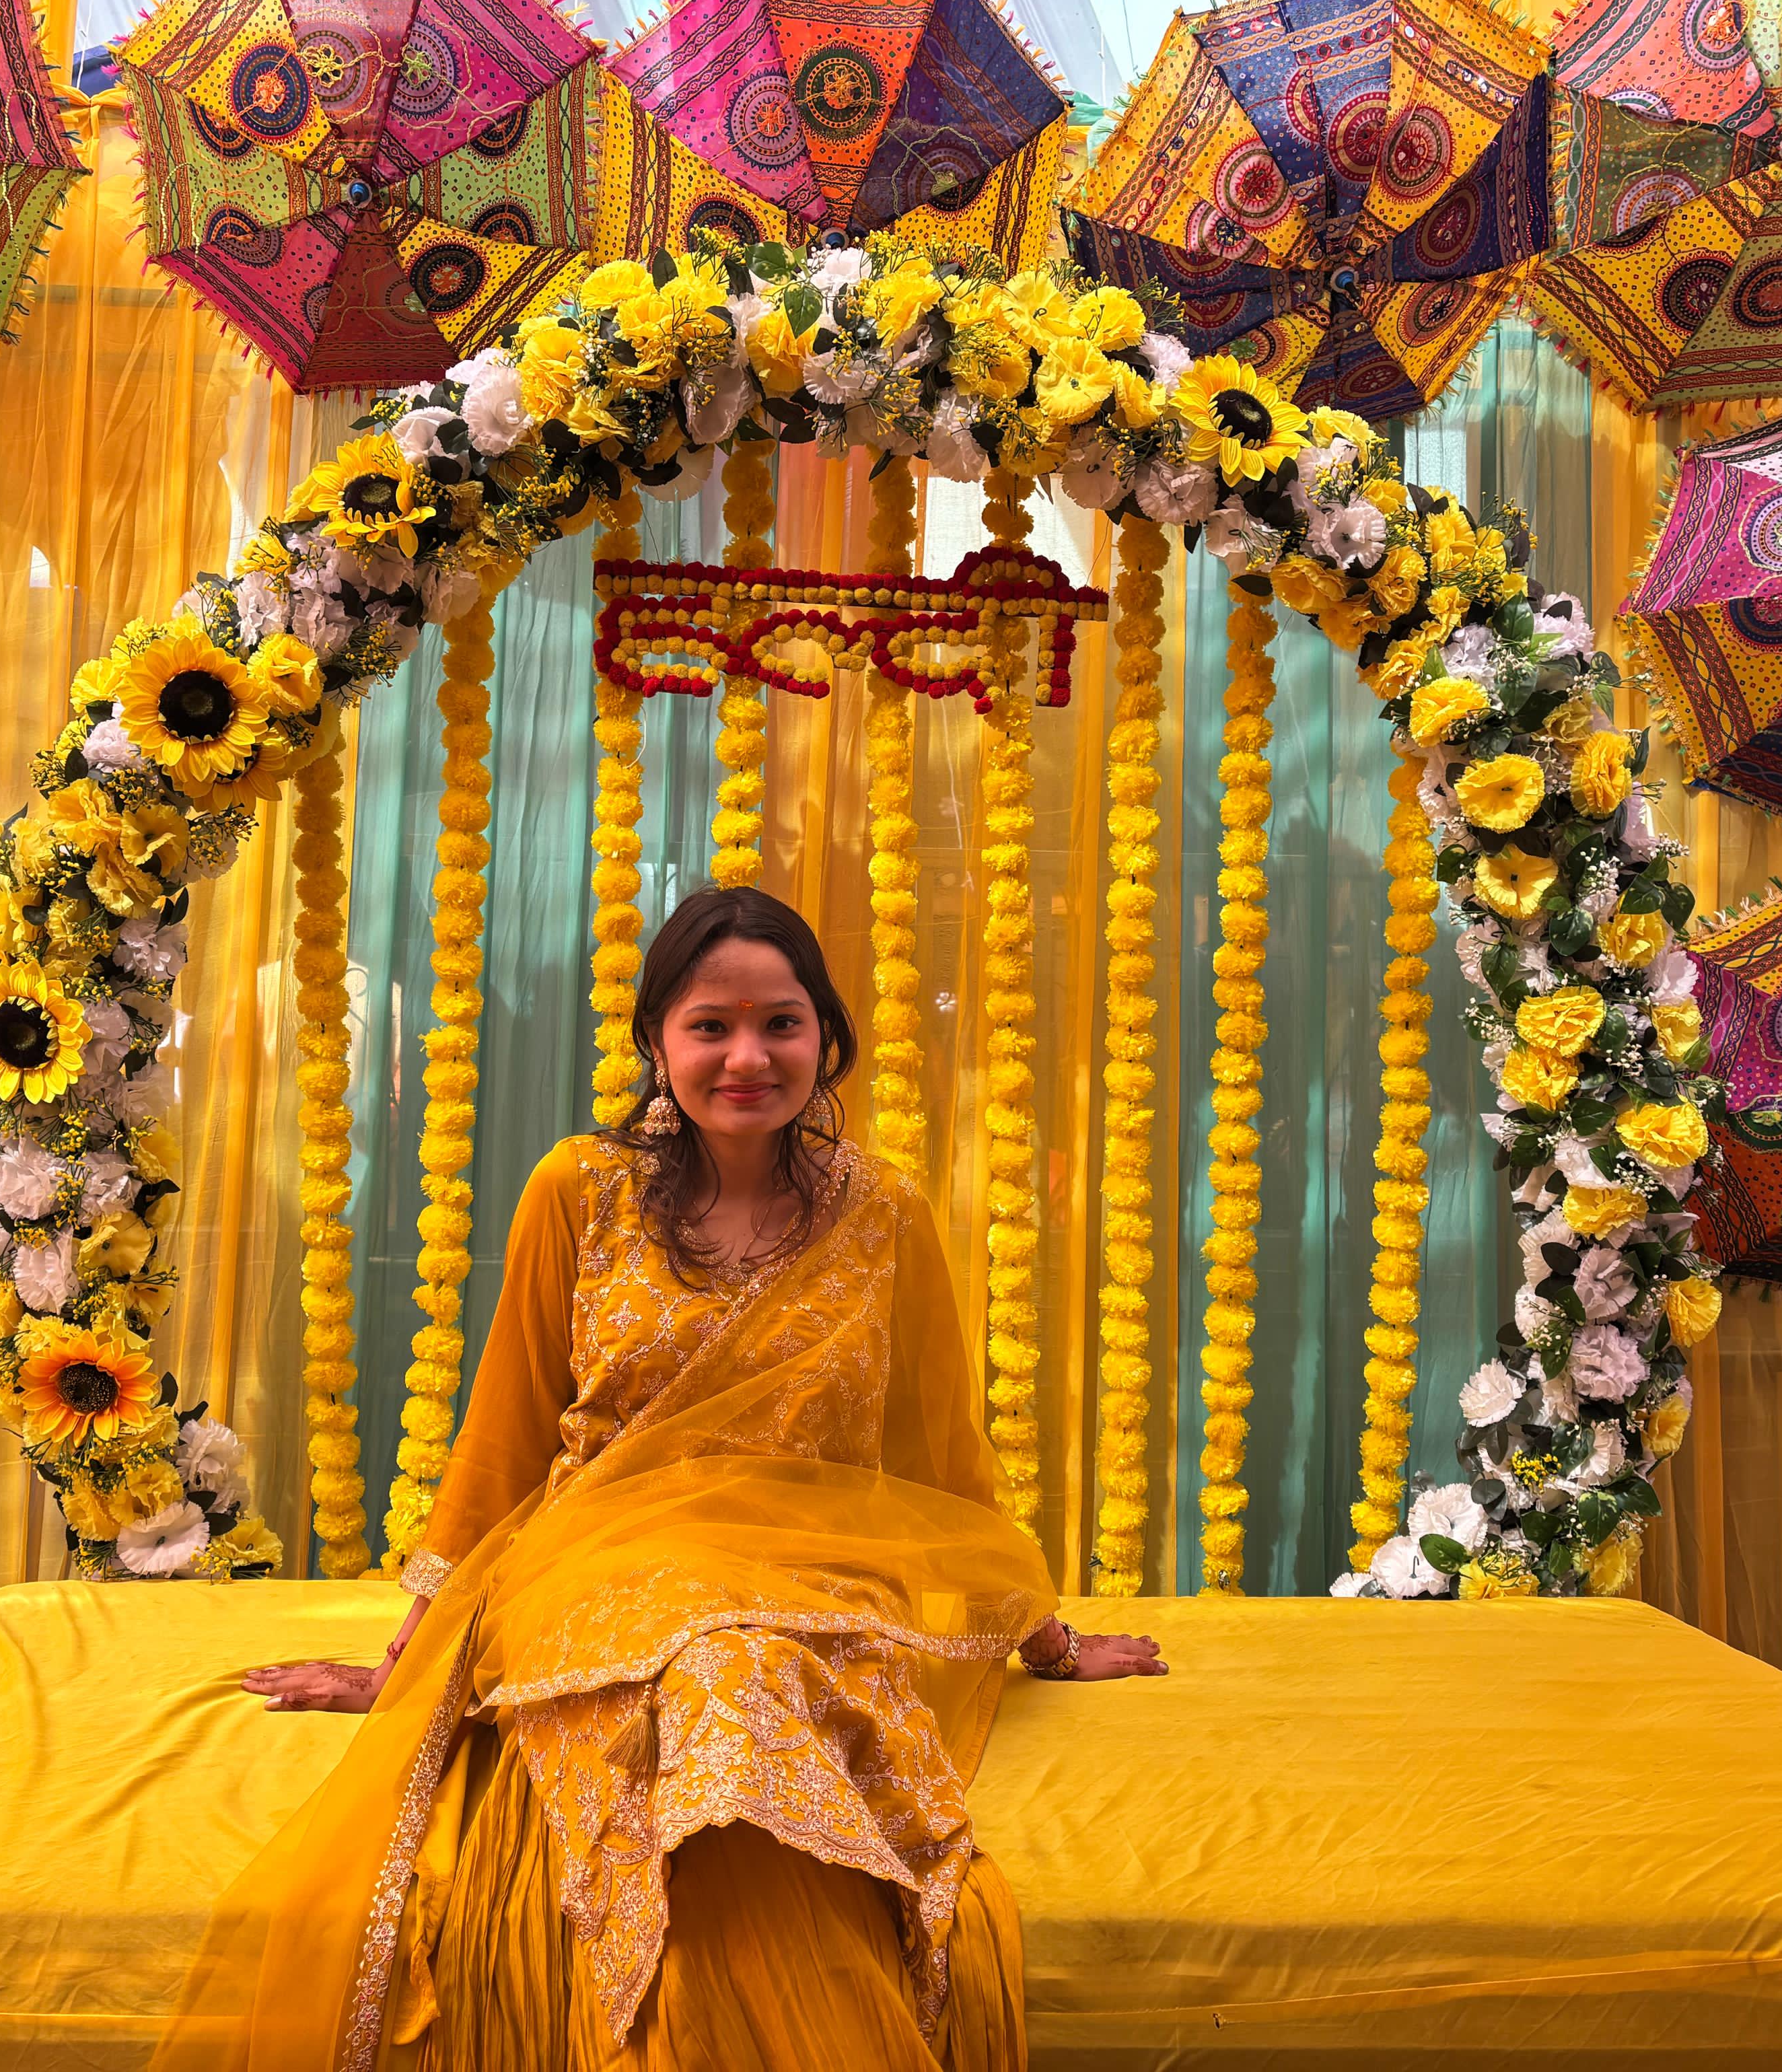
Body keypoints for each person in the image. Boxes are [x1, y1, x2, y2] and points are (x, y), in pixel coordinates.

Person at [158, 888, 1164, 2072]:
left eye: (781, 1024)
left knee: (745, 1672)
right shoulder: (578, 1190)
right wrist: (407, 1666)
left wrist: (1049, 1643)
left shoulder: (884, 1213)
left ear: (827, 1037)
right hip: (599, 1570)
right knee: (720, 1672)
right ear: (655, 1040)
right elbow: (505, 1437)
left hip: (812, 1579)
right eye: (710, 1027)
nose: (748, 1058)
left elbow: (943, 1463)